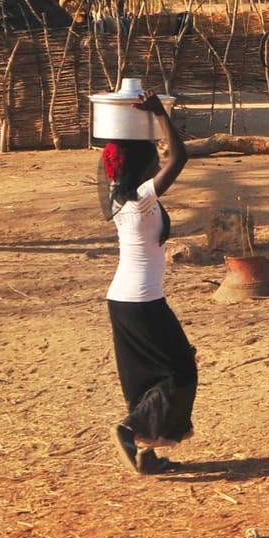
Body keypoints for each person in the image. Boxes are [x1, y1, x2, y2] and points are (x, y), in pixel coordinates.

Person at [102, 93, 196, 475]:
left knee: (147, 379)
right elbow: (180, 158)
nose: (159, 160)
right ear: (144, 169)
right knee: (180, 371)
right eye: (152, 159)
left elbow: (114, 159)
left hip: (125, 300)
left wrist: (122, 121)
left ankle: (148, 453)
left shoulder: (117, 199)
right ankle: (130, 429)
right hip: (141, 301)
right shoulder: (140, 198)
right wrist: (159, 113)